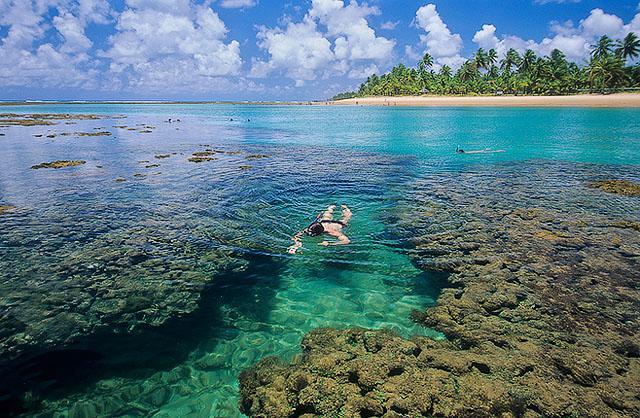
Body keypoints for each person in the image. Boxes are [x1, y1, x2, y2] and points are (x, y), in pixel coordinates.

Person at [288, 204, 352, 254]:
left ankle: (346, 209)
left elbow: (347, 241)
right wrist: (296, 244)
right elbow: (297, 235)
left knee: (345, 219)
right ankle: (331, 207)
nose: (309, 233)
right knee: (326, 216)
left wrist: (329, 244)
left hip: (337, 224)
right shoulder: (310, 228)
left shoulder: (331, 232)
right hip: (324, 221)